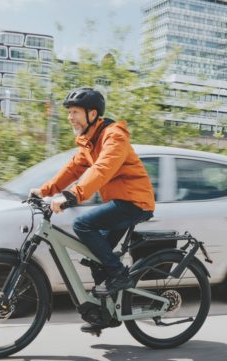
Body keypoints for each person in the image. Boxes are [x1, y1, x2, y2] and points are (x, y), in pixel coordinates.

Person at [30, 87, 155, 321]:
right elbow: (73, 168)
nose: (70, 117)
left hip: (135, 202)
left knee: (83, 225)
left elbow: (103, 169)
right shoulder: (90, 142)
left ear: (92, 114)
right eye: (69, 112)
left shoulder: (114, 136)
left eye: (75, 112)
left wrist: (71, 196)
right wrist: (45, 190)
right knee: (97, 259)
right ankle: (106, 313)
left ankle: (119, 274)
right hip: (120, 202)